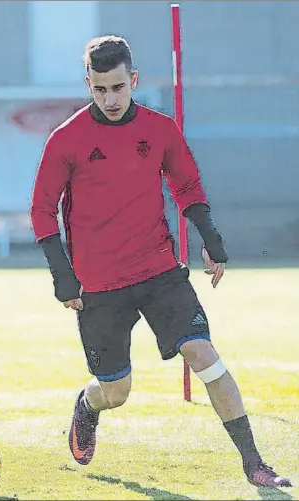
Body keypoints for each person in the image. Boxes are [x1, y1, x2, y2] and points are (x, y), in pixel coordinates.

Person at [29, 35, 291, 488]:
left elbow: (187, 187)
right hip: (99, 286)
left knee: (203, 354)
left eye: (117, 87)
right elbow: (41, 209)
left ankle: (255, 465)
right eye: (99, 90)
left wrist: (211, 238)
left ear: (133, 80)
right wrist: (63, 276)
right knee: (116, 392)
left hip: (160, 272)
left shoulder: (161, 129)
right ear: (87, 84)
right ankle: (88, 407)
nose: (109, 99)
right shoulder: (66, 140)